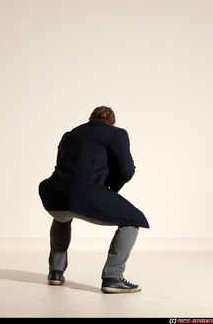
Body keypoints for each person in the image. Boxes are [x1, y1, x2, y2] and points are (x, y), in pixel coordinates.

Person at [38, 106, 149, 293]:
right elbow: (127, 170)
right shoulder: (117, 133)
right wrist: (110, 189)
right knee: (134, 219)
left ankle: (55, 272)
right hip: (85, 193)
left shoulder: (70, 134)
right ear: (113, 123)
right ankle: (113, 277)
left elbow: (64, 165)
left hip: (54, 194)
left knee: (61, 217)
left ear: (89, 120)